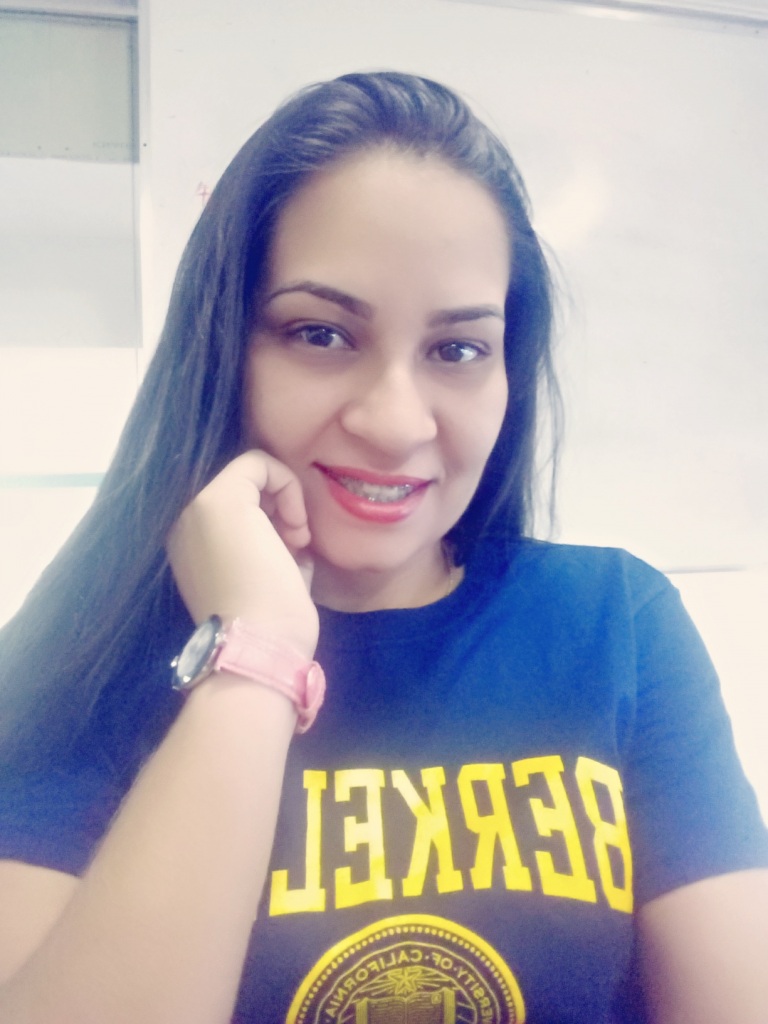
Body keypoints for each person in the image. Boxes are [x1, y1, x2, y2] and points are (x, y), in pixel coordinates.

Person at [0, 71, 765, 1024]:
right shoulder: (81, 665)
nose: (397, 424)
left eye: (457, 350)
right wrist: (255, 656)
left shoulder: (618, 626)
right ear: (224, 347)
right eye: (321, 334)